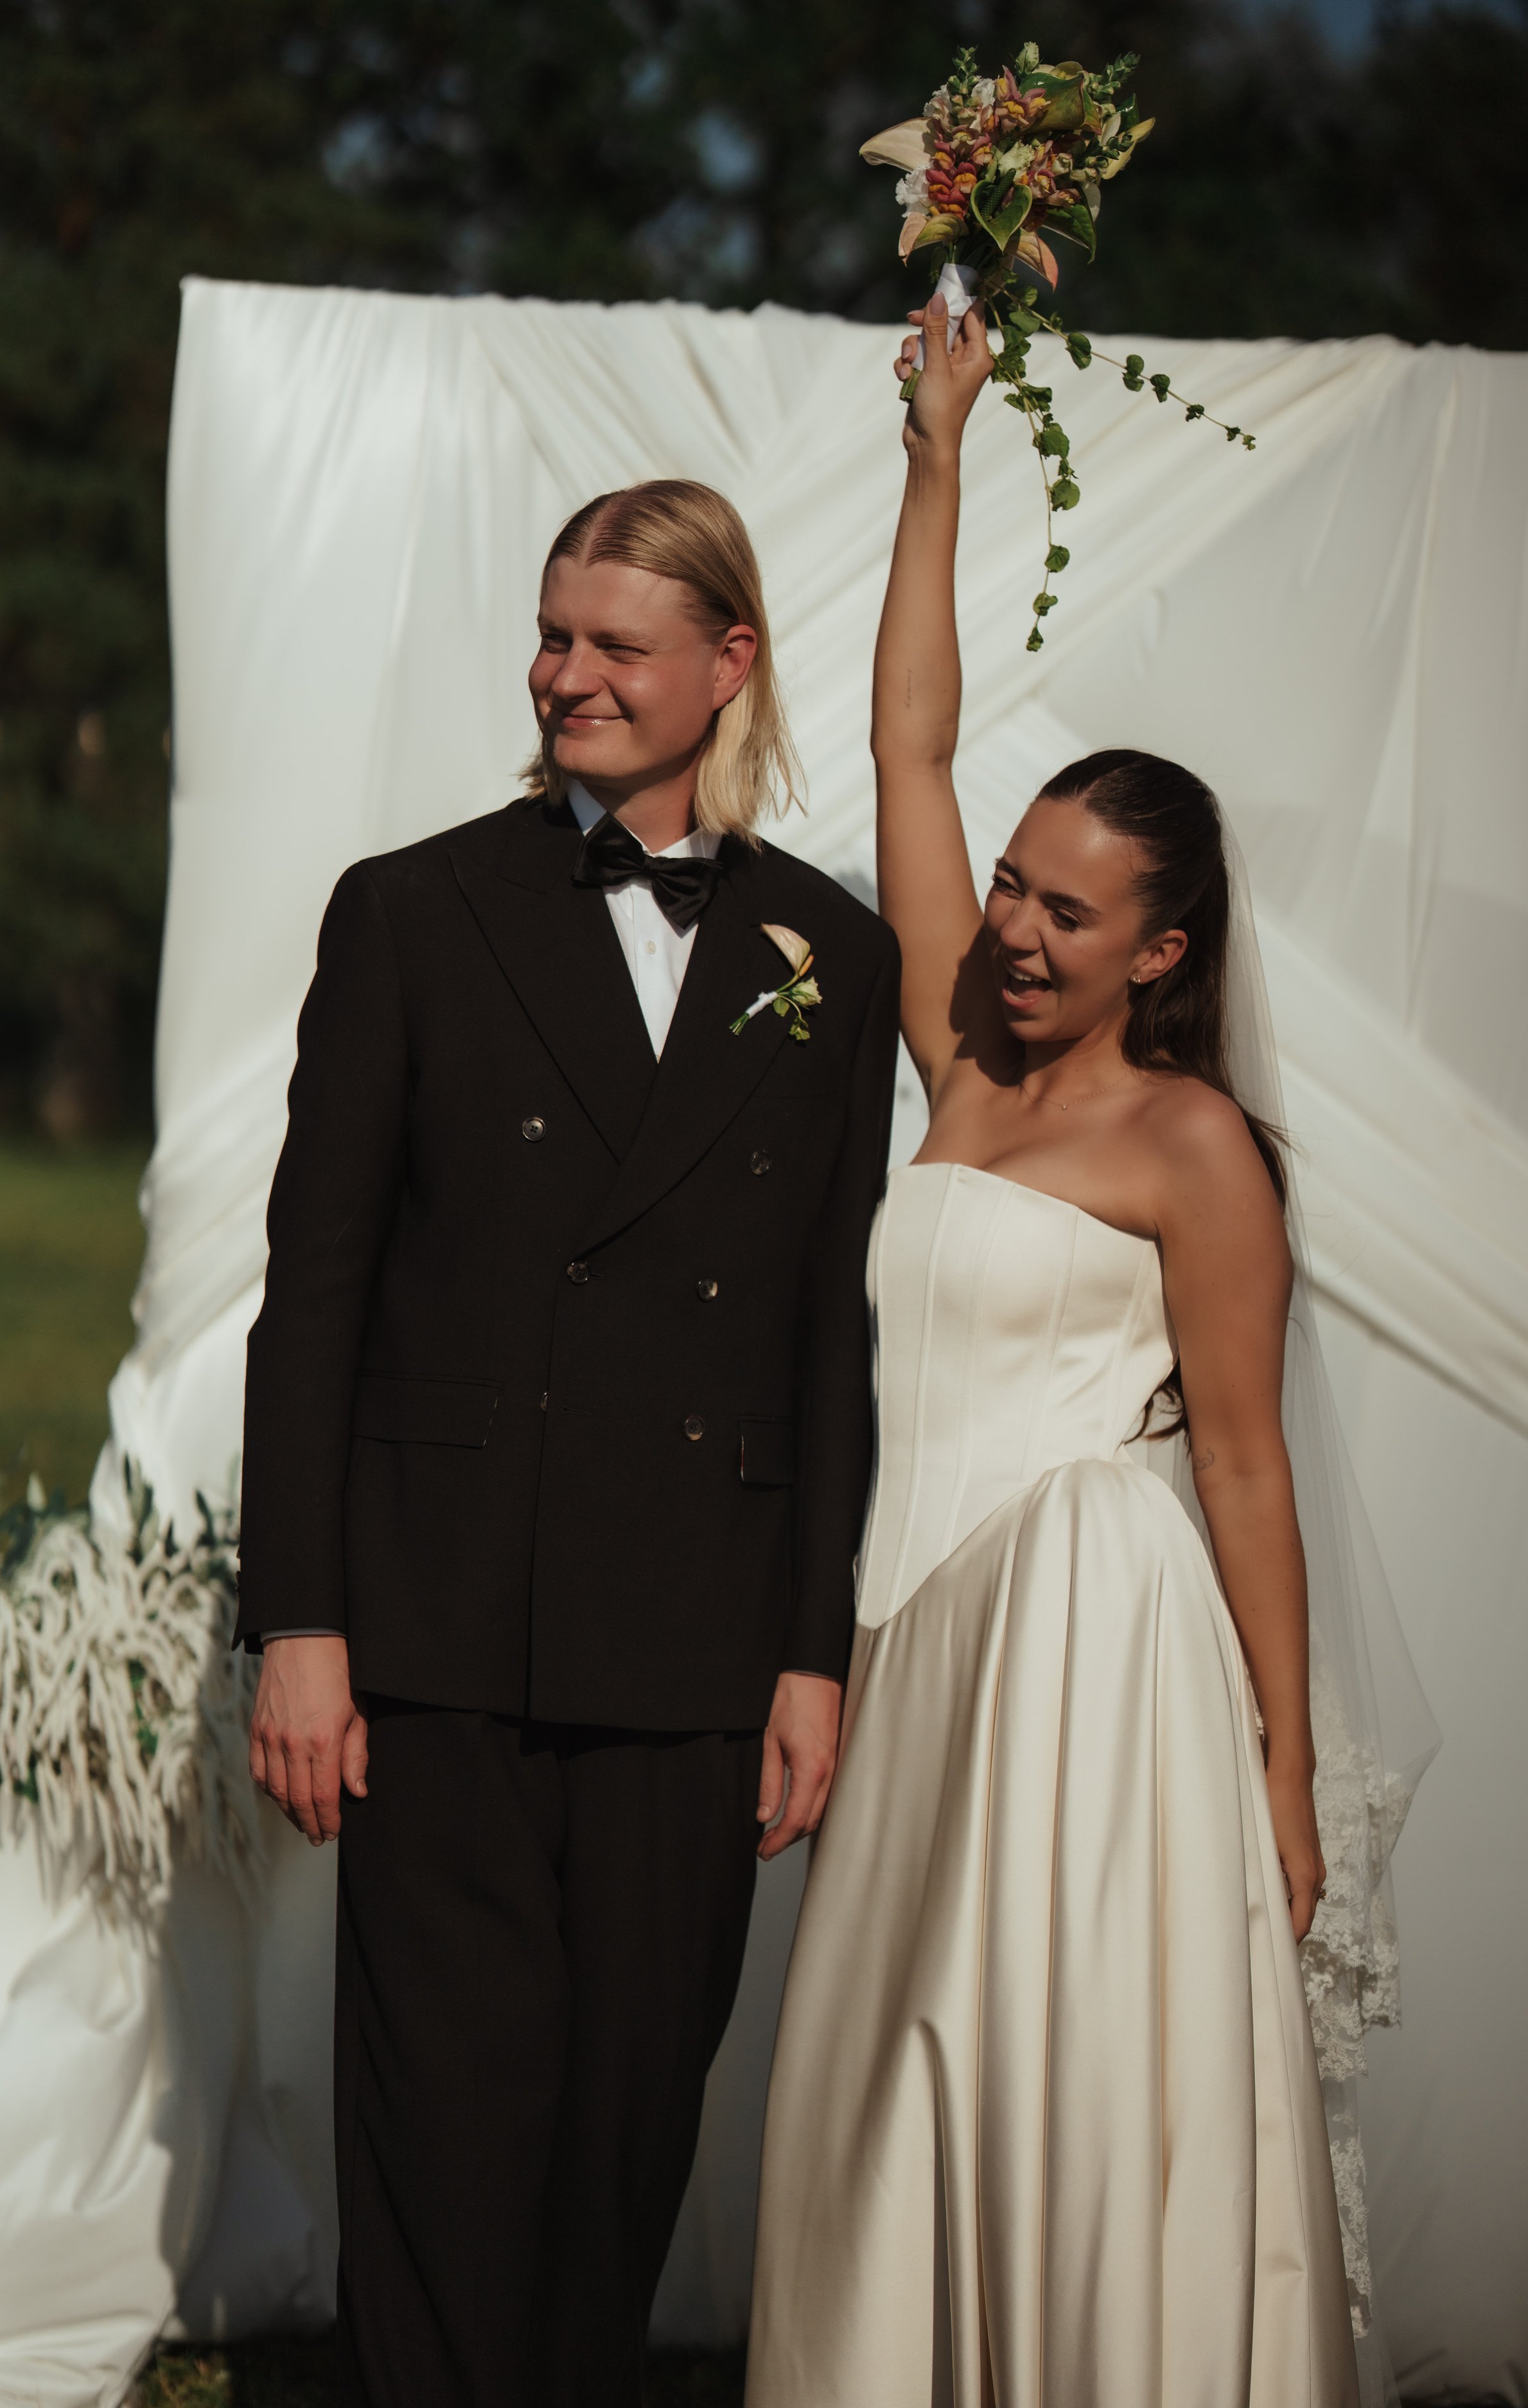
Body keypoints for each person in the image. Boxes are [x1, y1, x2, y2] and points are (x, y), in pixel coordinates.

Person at [744, 295, 1360, 2405]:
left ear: (1163, 951)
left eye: (1064, 915)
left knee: (1057, 2063)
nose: (1010, 927)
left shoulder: (1190, 1148)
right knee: (878, 2058)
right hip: (918, 1642)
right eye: (1008, 886)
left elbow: (1250, 1473)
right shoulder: (950, 1050)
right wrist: (938, 453)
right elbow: (909, 743)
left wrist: (1282, 1778)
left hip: (1090, 1646)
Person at [234, 478, 900, 2408]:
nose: (568, 677)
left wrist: (809, 1645)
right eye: (553, 636)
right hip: (439, 1631)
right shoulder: (417, 910)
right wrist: (302, 1621)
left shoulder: (824, 959)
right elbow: (320, 1295)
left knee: (621, 2145)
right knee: (444, 2137)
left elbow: (824, 1335)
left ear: (729, 663)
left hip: (696, 1641)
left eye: (616, 645)